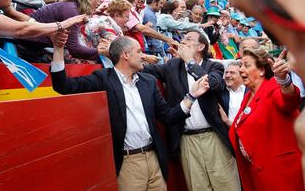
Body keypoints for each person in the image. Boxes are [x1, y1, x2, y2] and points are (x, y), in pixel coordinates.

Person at [50, 34, 211, 190]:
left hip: (154, 159)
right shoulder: (104, 78)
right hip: (128, 163)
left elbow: (167, 117)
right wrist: (58, 49)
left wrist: (192, 96)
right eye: (139, 51)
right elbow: (63, 86)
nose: (143, 56)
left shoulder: (147, 82)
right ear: (126, 55)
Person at [143, 30, 241, 190]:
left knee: (227, 184)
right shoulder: (172, 66)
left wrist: (190, 62)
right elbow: (144, 70)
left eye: (188, 39)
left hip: (213, 136)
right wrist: (142, 57)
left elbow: (212, 84)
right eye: (183, 37)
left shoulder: (213, 65)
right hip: (187, 139)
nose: (182, 41)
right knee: (198, 187)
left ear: (201, 46)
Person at [229, 48, 304, 190]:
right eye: (240, 65)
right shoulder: (247, 97)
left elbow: (290, 101)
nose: (241, 70)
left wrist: (283, 80)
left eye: (246, 65)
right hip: (258, 173)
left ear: (262, 70)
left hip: (281, 174)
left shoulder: (273, 86)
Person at [16, 0, 107, 62]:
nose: (99, 2)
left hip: (32, 45)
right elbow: (75, 49)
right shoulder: (71, 10)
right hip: (25, 47)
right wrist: (102, 52)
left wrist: (94, 13)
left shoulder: (71, 7)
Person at [219, 61, 246, 127]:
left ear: (241, 74)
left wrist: (227, 121)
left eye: (232, 73)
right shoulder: (220, 92)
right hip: (226, 135)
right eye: (226, 72)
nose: (227, 75)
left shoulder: (250, 92)